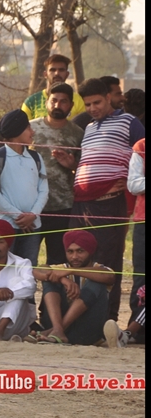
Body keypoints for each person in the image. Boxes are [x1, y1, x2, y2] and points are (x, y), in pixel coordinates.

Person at [70, 77, 145, 321]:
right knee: (76, 258)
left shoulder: (129, 122)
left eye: (97, 102)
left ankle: (107, 319)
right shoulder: (89, 127)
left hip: (110, 202)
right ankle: (78, 319)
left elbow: (142, 153)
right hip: (81, 203)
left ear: (109, 98)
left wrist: (128, 176)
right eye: (87, 104)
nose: (92, 108)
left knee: (107, 261)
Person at [29, 82, 84, 268]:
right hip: (32, 207)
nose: (57, 105)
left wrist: (71, 165)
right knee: (27, 260)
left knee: (58, 263)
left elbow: (83, 170)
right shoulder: (30, 129)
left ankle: (52, 289)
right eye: (53, 100)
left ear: (71, 105)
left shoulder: (78, 133)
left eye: (63, 101)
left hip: (63, 207)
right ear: (47, 102)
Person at [31, 230, 119, 346]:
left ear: (90, 251)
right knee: (50, 278)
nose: (74, 257)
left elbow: (109, 276)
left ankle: (57, 330)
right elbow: (38, 270)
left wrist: (72, 271)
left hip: (87, 333)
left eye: (80, 251)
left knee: (96, 282)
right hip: (56, 330)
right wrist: (63, 279)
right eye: (70, 252)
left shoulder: (100, 269)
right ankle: (57, 329)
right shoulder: (61, 269)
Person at [0, 109, 48, 263]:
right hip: (4, 226)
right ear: (17, 130)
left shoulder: (36, 158)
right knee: (3, 268)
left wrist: (33, 215)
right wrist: (18, 216)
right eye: (28, 128)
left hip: (32, 226)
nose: (32, 132)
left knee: (28, 269)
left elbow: (44, 190)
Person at [116, 140, 144, 346]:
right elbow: (134, 184)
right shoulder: (142, 147)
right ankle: (136, 333)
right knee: (142, 277)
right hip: (144, 221)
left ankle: (131, 332)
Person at [21, 53, 86, 120]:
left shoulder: (78, 101)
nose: (57, 73)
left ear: (67, 74)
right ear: (45, 74)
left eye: (61, 70)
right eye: (52, 70)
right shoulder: (31, 102)